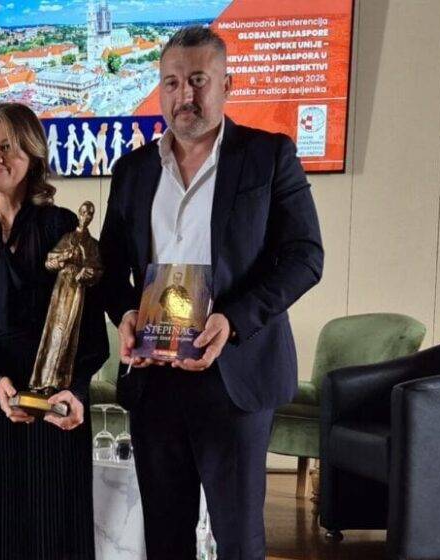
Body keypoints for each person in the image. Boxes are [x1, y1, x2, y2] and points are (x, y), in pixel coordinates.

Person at [99, 26, 324, 560]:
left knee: (239, 540)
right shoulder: (132, 170)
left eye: (199, 80)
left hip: (234, 374)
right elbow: (108, 267)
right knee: (164, 538)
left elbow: (305, 257)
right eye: (172, 83)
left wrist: (234, 319)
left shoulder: (268, 156)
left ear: (227, 84)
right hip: (154, 378)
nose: (185, 95)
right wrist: (126, 312)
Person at [0, 103, 108, 560]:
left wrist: (76, 392)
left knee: (54, 533)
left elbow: (88, 328)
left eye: (7, 146)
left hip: (53, 404)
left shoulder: (63, 226)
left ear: (32, 155)